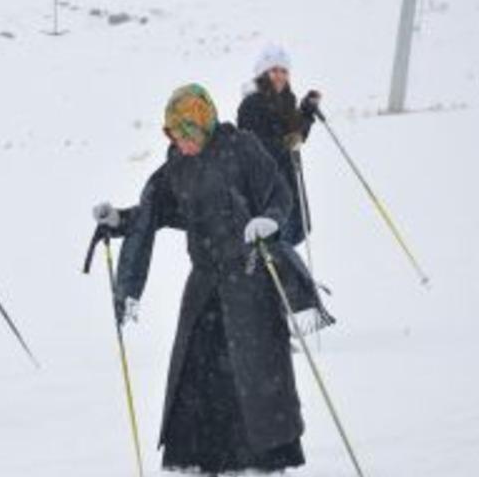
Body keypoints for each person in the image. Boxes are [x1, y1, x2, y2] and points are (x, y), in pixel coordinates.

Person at [93, 84, 331, 476]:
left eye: (185, 134)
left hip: (250, 284)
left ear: (202, 123)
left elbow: (280, 195)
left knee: (254, 383)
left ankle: (258, 464)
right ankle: (203, 461)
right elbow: (155, 212)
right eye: (173, 135)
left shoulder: (242, 149)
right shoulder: (178, 167)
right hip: (204, 292)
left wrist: (268, 221)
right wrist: (118, 221)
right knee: (196, 380)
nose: (180, 143)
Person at [237, 43, 322, 247]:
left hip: (286, 182)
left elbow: (295, 136)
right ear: (263, 73)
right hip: (265, 189)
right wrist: (286, 144)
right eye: (274, 70)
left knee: (287, 240)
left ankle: (286, 278)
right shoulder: (252, 104)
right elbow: (254, 147)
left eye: (284, 71)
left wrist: (306, 112)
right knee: (274, 243)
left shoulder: (285, 101)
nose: (280, 76)